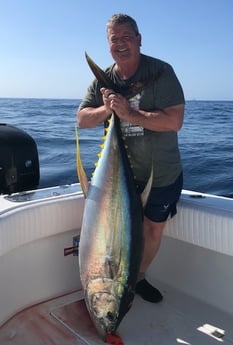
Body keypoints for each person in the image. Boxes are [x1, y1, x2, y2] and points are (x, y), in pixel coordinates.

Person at [77, 13, 185, 303]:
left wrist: (130, 113)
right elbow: (82, 120)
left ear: (139, 39)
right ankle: (122, 281)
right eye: (115, 39)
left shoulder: (161, 72)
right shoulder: (103, 80)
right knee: (113, 235)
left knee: (151, 228)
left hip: (160, 173)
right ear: (108, 44)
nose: (121, 43)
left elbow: (174, 121)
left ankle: (135, 278)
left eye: (127, 37)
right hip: (118, 176)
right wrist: (107, 110)